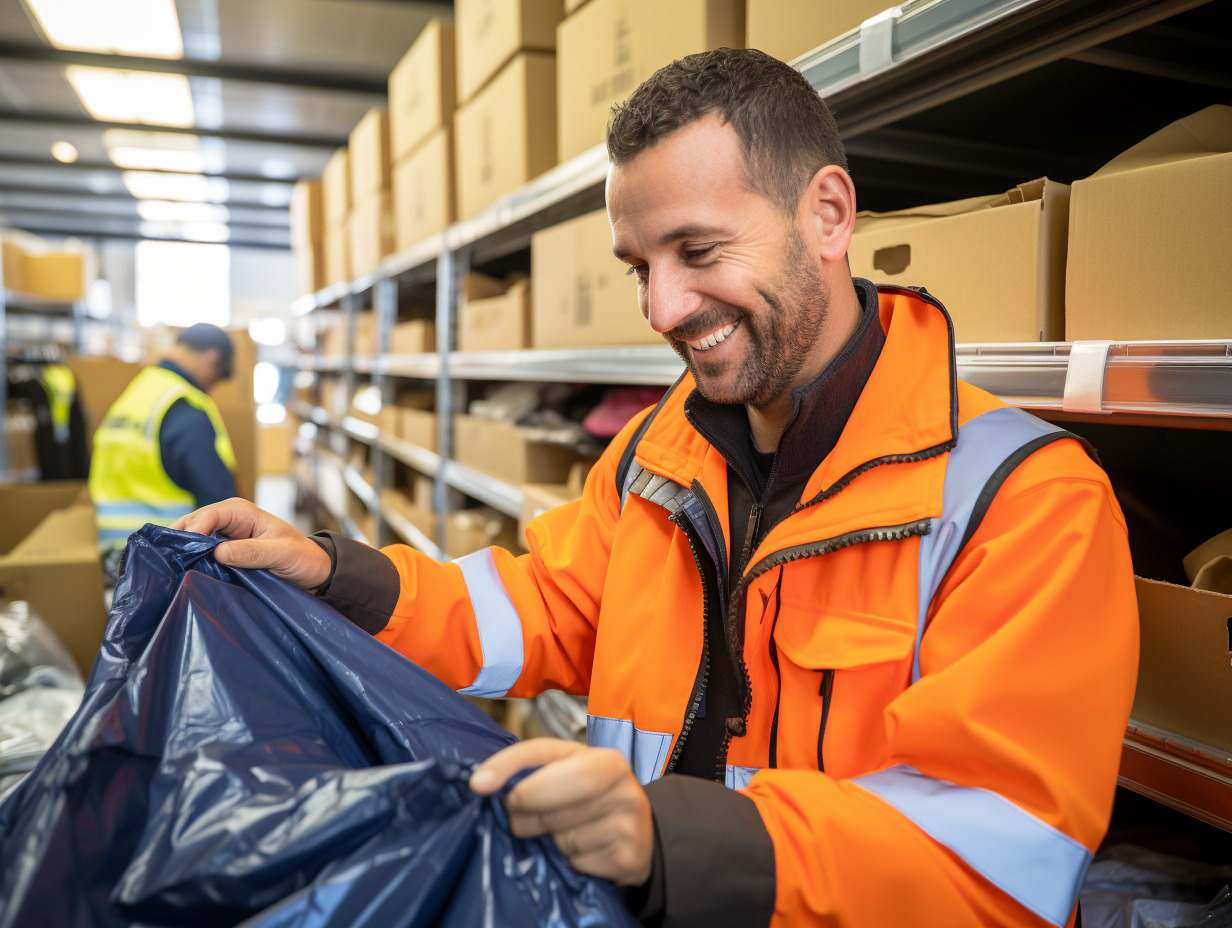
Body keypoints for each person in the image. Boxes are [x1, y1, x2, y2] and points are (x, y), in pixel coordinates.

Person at [174, 49, 1138, 928]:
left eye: (700, 252)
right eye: (639, 266)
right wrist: (337, 574)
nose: (663, 309)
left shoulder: (1023, 503)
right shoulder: (652, 454)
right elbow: (541, 607)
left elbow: (996, 866)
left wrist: (668, 840)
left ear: (830, 215)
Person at [91, 323, 238, 575]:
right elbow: (220, 502)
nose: (211, 387)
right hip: (164, 559)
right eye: (217, 377)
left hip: (111, 553)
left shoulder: (140, 391)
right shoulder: (184, 406)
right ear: (212, 359)